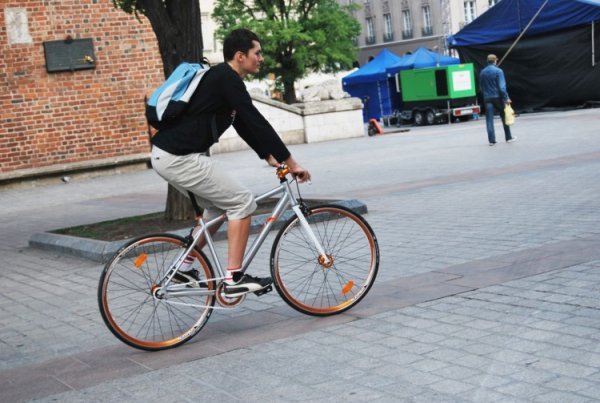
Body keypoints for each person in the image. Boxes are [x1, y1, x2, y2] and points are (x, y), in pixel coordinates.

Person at [150, 28, 311, 297]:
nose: (261, 58)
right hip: (178, 157)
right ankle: (233, 278)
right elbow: (256, 119)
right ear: (240, 55)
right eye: (257, 53)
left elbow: (244, 125)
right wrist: (291, 162)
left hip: (170, 155)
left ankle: (183, 267)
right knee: (242, 202)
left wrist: (269, 156)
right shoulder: (226, 78)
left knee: (217, 209)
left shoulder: (223, 81)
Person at [479, 54, 516, 146]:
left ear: (487, 61)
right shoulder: (499, 71)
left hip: (487, 97)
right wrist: (506, 98)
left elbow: (481, 87)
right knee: (504, 117)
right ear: (495, 61)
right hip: (498, 98)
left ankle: (491, 141)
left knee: (489, 120)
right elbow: (502, 87)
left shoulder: (482, 72)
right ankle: (508, 137)